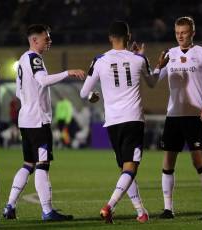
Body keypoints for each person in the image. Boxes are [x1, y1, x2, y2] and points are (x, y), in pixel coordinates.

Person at [2, 24, 85, 221]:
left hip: (26, 119)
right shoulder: (34, 58)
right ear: (34, 40)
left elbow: (18, 92)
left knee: (27, 164)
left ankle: (10, 205)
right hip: (38, 121)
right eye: (46, 38)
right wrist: (68, 72)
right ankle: (47, 211)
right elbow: (43, 80)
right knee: (42, 164)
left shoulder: (22, 59)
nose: (49, 41)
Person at [80, 20, 159, 224]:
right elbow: (152, 82)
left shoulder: (99, 60)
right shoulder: (138, 59)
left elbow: (84, 93)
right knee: (130, 169)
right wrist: (159, 66)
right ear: (129, 37)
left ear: (109, 38)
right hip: (133, 119)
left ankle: (141, 211)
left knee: (125, 169)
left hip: (113, 122)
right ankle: (109, 206)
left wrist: (93, 97)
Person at [151, 16, 202, 220]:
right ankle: (167, 209)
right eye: (177, 33)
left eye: (184, 32)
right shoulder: (170, 54)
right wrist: (158, 66)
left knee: (199, 160)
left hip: (194, 115)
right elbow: (154, 81)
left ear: (192, 32)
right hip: (173, 115)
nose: (180, 36)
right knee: (167, 163)